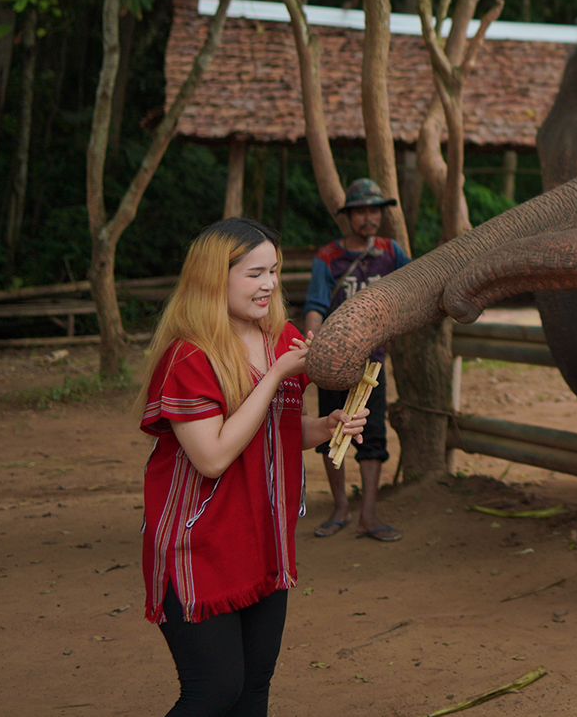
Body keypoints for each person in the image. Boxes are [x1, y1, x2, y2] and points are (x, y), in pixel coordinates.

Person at [140, 217, 366, 717]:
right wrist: (279, 374)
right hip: (200, 548)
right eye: (253, 273)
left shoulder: (280, 338)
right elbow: (214, 455)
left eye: (274, 272)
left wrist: (327, 426)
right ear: (212, 278)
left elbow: (277, 430)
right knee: (213, 692)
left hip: (262, 541)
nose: (268, 284)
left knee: (253, 689)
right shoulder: (188, 355)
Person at [303, 178, 410, 541]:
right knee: (331, 433)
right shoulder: (327, 257)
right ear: (348, 216)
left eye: (375, 210)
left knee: (372, 434)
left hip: (373, 365)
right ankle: (340, 508)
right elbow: (316, 306)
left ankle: (368, 515)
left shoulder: (391, 251)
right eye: (362, 211)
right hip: (333, 363)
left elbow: (412, 288)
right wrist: (315, 347)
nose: (370, 217)